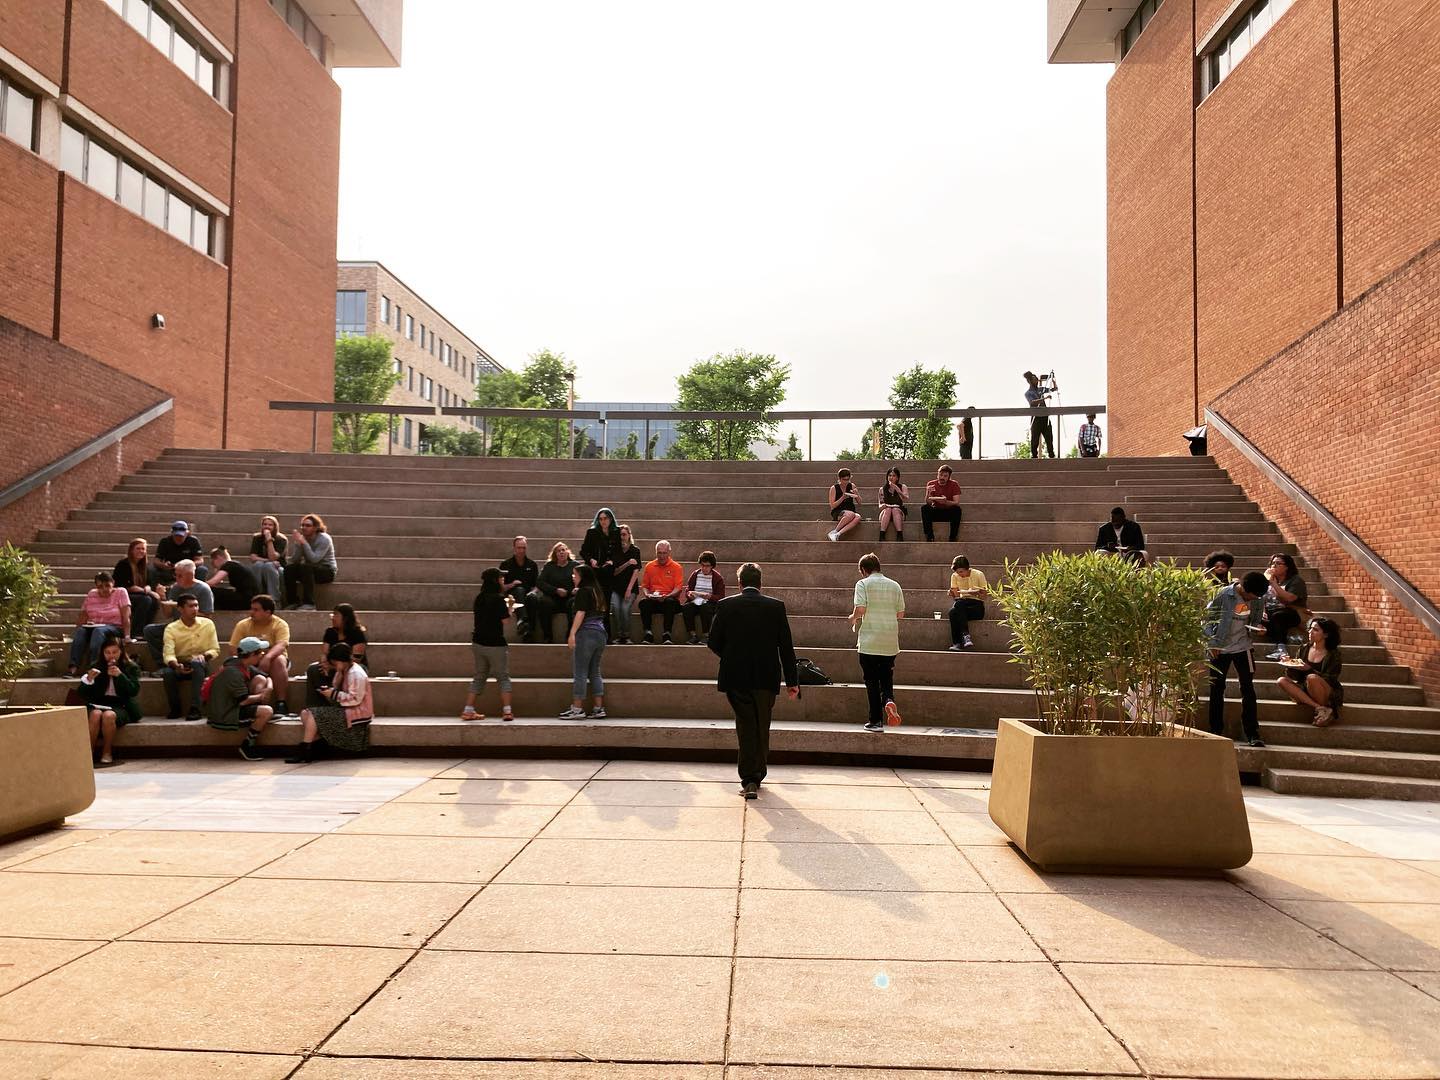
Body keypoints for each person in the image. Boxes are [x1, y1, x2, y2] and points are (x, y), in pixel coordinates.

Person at [708, 561, 799, 799]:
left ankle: (749, 778)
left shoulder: (726, 606)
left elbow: (713, 641)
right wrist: (792, 681)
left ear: (739, 583)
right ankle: (758, 772)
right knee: (762, 724)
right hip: (766, 674)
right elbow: (786, 647)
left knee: (745, 724)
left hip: (735, 674)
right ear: (760, 583)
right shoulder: (776, 607)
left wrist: (730, 656)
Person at [1204, 570, 1269, 747]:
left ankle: (1252, 733)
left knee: (1248, 688)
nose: (1253, 599)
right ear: (1243, 588)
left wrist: (1258, 628)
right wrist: (1211, 643)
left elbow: (1254, 620)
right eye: (1251, 596)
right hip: (1220, 647)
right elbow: (1206, 619)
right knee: (1217, 688)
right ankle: (1216, 730)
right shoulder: (1224, 594)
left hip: (1244, 647)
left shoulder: (1258, 598)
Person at [286, 642, 373, 764]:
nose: (334, 666)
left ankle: (305, 749)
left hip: (357, 714)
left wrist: (333, 694)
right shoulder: (344, 670)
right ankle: (319, 745)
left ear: (342, 660)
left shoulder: (356, 673)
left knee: (313, 713)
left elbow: (355, 699)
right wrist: (332, 688)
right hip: (346, 709)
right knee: (305, 713)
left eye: (335, 662)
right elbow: (338, 689)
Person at [849, 553, 905, 733]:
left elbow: (861, 608)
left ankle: (875, 721)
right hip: (889, 640)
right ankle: (888, 699)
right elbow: (900, 614)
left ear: (863, 570)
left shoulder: (863, 584)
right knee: (886, 677)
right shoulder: (895, 585)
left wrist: (853, 618)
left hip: (870, 639)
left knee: (871, 680)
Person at [206, 636, 275, 761]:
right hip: (225, 714)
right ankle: (247, 745)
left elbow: (267, 677)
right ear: (252, 654)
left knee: (261, 679)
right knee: (267, 712)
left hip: (234, 705)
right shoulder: (233, 672)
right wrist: (261, 696)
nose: (262, 655)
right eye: (260, 653)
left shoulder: (240, 663)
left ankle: (257, 710)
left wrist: (269, 688)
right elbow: (243, 701)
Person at [77, 635, 141, 767]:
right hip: (98, 703)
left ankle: (107, 752)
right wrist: (89, 680)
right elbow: (82, 693)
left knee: (108, 716)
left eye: (114, 652)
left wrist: (120, 676)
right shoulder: (96, 666)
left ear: (121, 652)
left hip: (120, 705)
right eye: (107, 652)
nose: (111, 656)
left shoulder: (130, 667)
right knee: (95, 714)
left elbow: (133, 691)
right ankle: (89, 752)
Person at [141, 559, 214, 668]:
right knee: (149, 630)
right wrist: (163, 598)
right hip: (176, 626)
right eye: (176, 575)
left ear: (190, 575)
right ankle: (163, 664)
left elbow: (208, 616)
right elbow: (168, 614)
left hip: (194, 628)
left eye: (180, 576)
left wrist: (186, 610)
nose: (177, 578)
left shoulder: (203, 589)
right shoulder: (176, 588)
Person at [462, 568, 513, 721]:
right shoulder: (498, 599)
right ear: (495, 580)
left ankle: (468, 710)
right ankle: (507, 711)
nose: (503, 580)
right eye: (501, 578)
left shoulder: (479, 598)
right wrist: (510, 607)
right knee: (503, 677)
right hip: (495, 644)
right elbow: (505, 621)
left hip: (478, 642)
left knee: (479, 676)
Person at [229, 595, 292, 718]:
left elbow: (282, 645)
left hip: (273, 660)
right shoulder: (243, 625)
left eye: (256, 610)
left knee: (278, 660)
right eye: (251, 609)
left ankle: (281, 703)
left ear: (268, 612)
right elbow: (233, 649)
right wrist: (249, 661)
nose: (251, 612)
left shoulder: (280, 624)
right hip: (250, 660)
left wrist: (267, 658)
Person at [560, 564, 608, 719]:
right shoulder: (598, 590)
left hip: (586, 633)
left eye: (575, 574)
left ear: (582, 576)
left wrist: (572, 634)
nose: (573, 577)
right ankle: (598, 707)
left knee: (580, 671)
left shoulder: (583, 591)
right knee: (595, 671)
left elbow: (580, 613)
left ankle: (577, 708)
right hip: (600, 633)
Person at [1277, 616, 1344, 727]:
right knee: (1281, 681)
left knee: (1311, 677)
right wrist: (1290, 665)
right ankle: (1320, 708)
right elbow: (1295, 677)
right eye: (1310, 629)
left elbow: (1331, 679)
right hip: (1305, 688)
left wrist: (1309, 669)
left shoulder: (1333, 654)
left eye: (1315, 630)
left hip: (1327, 690)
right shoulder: (1303, 649)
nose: (1310, 632)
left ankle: (1324, 709)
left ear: (1326, 635)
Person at [161, 592, 220, 720]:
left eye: (196, 605)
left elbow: (215, 649)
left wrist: (204, 656)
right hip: (180, 663)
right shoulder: (171, 628)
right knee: (167, 673)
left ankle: (195, 708)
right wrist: (176, 665)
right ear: (180, 609)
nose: (195, 609)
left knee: (197, 663)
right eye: (191, 606)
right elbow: (168, 653)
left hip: (201, 663)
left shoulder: (208, 624)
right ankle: (175, 708)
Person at [68, 572, 131, 677]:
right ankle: (73, 667)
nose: (104, 589)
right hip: (94, 626)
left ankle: (93, 667)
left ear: (113, 583)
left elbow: (126, 616)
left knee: (98, 631)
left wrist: (127, 636)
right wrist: (78, 631)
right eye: (100, 587)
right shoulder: (92, 593)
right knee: (81, 631)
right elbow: (83, 615)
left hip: (114, 627)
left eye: (107, 586)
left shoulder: (121, 592)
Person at [307, 604, 369, 708]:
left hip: (352, 666)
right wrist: (324, 664)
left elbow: (356, 659)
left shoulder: (357, 633)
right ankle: (315, 706)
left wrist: (334, 667)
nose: (332, 617)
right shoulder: (330, 632)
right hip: (333, 665)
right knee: (313, 669)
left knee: (358, 670)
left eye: (336, 615)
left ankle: (337, 703)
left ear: (345, 618)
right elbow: (325, 653)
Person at [1261, 552, 1309, 661]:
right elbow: (1261, 598)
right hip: (1270, 613)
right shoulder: (1269, 580)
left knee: (1278, 616)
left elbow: (1289, 598)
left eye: (1278, 563)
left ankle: (1281, 649)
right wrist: (1262, 611)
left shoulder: (1295, 580)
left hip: (1291, 613)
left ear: (1287, 567)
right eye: (1272, 563)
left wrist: (1273, 584)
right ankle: (1284, 636)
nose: (1274, 566)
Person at [283, 514, 337, 611]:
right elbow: (295, 560)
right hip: (309, 571)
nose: (304, 528)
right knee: (289, 569)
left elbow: (315, 559)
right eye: (302, 525)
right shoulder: (301, 538)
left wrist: (304, 543)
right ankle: (293, 602)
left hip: (327, 570)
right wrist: (299, 545)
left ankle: (309, 603)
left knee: (306, 567)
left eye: (308, 525)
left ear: (316, 527)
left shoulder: (324, 539)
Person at [638, 540, 685, 643]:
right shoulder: (649, 566)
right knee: (643, 603)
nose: (662, 556)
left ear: (669, 553)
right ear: (656, 553)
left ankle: (667, 634)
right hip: (654, 600)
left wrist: (667, 596)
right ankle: (648, 633)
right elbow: (645, 586)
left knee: (670, 603)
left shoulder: (677, 567)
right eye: (659, 553)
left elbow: (678, 588)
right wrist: (648, 595)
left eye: (664, 553)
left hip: (670, 600)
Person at [530, 542, 577, 643]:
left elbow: (582, 582)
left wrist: (568, 592)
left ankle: (570, 635)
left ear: (567, 552)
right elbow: (540, 582)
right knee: (544, 602)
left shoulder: (575, 565)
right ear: (555, 554)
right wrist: (555, 590)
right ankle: (548, 636)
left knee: (574, 602)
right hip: (553, 598)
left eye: (563, 550)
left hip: (569, 597)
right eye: (558, 551)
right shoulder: (549, 566)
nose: (561, 553)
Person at [112, 538, 163, 632]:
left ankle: (146, 628)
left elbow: (150, 583)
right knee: (145, 600)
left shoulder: (145, 566)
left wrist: (148, 588)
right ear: (131, 550)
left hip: (140, 593)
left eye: (143, 549)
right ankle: (136, 630)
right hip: (123, 595)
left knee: (154, 600)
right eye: (138, 548)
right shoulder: (123, 564)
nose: (141, 551)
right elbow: (123, 586)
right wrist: (147, 591)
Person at [681, 551, 727, 644]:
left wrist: (709, 596)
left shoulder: (717, 578)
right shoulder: (695, 574)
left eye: (707, 566)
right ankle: (692, 635)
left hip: (709, 603)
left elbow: (721, 596)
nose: (704, 568)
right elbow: (688, 589)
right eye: (702, 565)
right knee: (686, 608)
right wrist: (690, 595)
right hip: (695, 601)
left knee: (705, 607)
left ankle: (706, 635)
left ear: (712, 566)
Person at [499, 536, 539, 640]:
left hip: (527, 594)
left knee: (532, 598)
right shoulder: (505, 564)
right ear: (514, 548)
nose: (521, 550)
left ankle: (530, 631)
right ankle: (522, 620)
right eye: (519, 548)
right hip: (511, 595)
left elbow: (536, 585)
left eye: (524, 548)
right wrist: (512, 584)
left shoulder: (532, 564)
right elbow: (501, 587)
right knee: (519, 590)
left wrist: (533, 592)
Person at [579, 507, 623, 602]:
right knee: (595, 598)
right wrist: (591, 560)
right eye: (600, 519)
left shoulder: (616, 532)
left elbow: (619, 552)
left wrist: (613, 561)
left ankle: (605, 616)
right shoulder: (592, 532)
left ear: (610, 519)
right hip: (595, 567)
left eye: (605, 518)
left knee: (606, 597)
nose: (603, 521)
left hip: (608, 568)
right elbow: (583, 551)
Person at [609, 524, 642, 644]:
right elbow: (614, 571)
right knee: (616, 608)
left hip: (630, 587)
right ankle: (619, 635)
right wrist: (627, 563)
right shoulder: (614, 551)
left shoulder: (635, 550)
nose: (622, 537)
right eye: (620, 535)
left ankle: (626, 636)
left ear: (629, 536)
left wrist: (629, 589)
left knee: (624, 608)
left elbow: (636, 571)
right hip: (616, 587)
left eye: (624, 534)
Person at [947, 556, 988, 650]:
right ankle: (958, 643)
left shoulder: (978, 574)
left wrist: (976, 593)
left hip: (976, 606)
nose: (959, 574)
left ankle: (964, 636)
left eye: (961, 572)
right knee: (952, 612)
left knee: (957, 608)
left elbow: (984, 597)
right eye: (957, 572)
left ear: (967, 568)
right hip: (962, 605)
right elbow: (957, 597)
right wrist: (952, 594)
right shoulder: (954, 576)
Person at [248, 515, 287, 602]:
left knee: (269, 566)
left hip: (278, 568)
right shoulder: (257, 538)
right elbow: (253, 558)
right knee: (258, 565)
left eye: (270, 525)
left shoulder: (281, 539)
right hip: (263, 565)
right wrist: (267, 561)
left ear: (275, 526)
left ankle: (274, 600)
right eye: (265, 524)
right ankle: (257, 596)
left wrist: (269, 540)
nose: (267, 526)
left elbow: (273, 557)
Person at [153, 521, 205, 585]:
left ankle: (197, 589)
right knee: (153, 571)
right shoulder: (165, 542)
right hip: (171, 569)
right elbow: (156, 560)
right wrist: (163, 565)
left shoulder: (193, 541)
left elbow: (200, 560)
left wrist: (186, 566)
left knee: (202, 570)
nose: (178, 538)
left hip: (188, 569)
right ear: (172, 534)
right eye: (176, 536)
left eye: (181, 536)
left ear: (187, 533)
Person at [920, 465, 963, 543]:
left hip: (948, 512)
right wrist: (928, 493)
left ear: (949, 477)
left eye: (945, 476)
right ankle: (929, 536)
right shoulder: (931, 484)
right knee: (925, 508)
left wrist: (946, 502)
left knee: (957, 510)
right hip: (936, 511)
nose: (942, 477)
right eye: (940, 475)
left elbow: (956, 502)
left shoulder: (954, 484)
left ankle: (953, 537)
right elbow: (928, 502)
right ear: (937, 474)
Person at [1024, 371, 1057, 458]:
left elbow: (1054, 389)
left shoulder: (1040, 389)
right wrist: (1044, 398)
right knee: (1035, 439)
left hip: (1045, 417)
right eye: (1035, 380)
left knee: (1049, 437)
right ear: (1030, 381)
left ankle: (1051, 455)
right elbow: (1032, 403)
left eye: (1037, 379)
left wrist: (1053, 380)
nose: (1037, 381)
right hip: (1036, 418)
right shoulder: (1028, 393)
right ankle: (1034, 456)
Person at [827, 469, 863, 542]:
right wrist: (842, 497)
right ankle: (834, 531)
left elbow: (860, 502)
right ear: (839, 479)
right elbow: (832, 506)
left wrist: (857, 494)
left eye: (848, 479)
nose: (846, 481)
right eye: (844, 479)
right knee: (851, 514)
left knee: (858, 517)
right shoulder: (834, 488)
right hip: (838, 511)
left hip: (850, 510)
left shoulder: (852, 486)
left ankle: (837, 534)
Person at [877, 467, 908, 542]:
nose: (891, 477)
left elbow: (906, 498)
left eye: (894, 476)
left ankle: (899, 534)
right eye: (889, 475)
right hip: (885, 513)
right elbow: (880, 506)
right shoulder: (882, 489)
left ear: (897, 478)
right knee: (888, 509)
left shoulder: (903, 487)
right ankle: (882, 534)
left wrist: (898, 490)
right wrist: (884, 506)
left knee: (895, 510)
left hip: (898, 512)